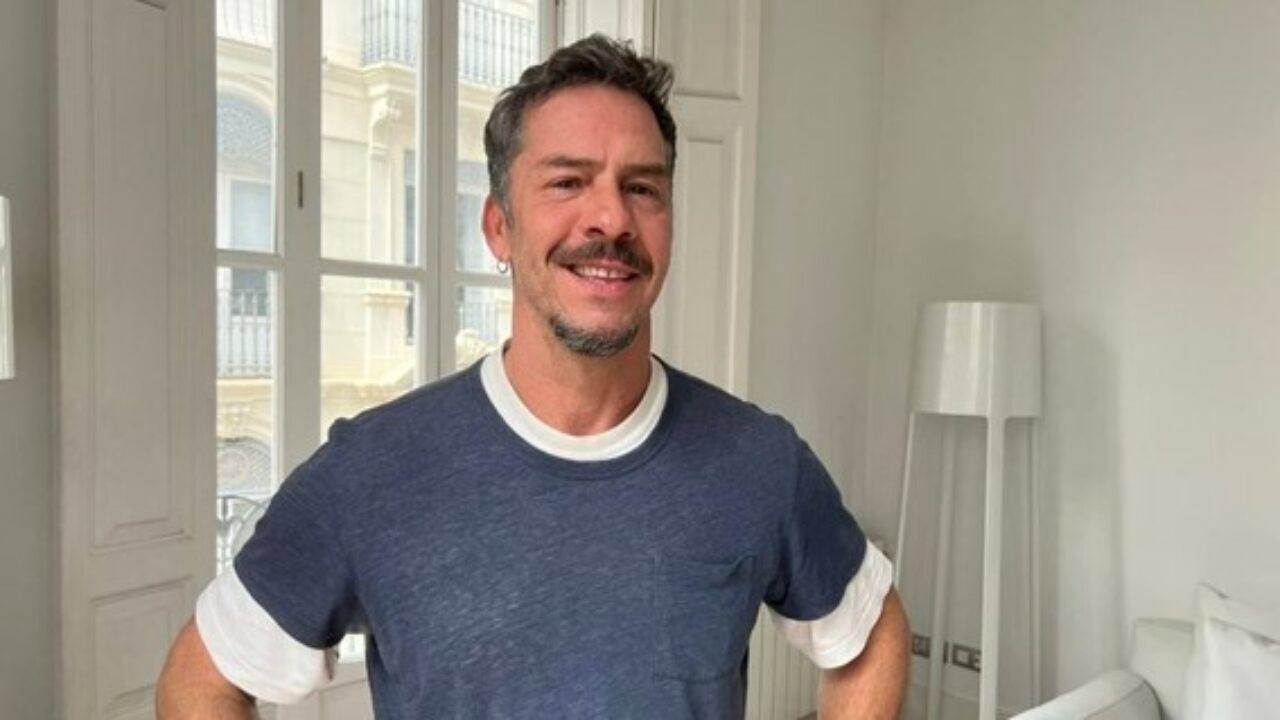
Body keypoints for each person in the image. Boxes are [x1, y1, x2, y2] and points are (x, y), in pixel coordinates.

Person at [158, 35, 909, 719]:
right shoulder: (372, 473)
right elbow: (200, 681)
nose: (611, 218)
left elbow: (873, 633)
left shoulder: (759, 461)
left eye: (642, 187)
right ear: (499, 227)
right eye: (568, 182)